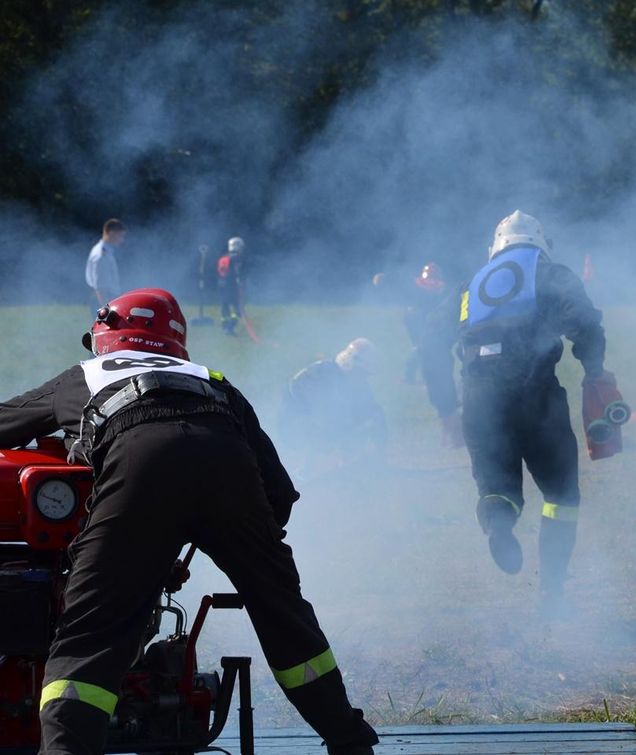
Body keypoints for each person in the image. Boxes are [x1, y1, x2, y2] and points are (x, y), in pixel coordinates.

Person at [0, 289, 378, 755]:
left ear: (105, 333)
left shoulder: (86, 374)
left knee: (91, 632)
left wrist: (151, 531)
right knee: (284, 615)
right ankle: (349, 739)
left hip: (139, 462)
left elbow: (6, 421)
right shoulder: (213, 380)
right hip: (228, 470)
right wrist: (241, 540)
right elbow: (278, 492)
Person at [419, 210, 610, 613]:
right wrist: (595, 371)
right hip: (536, 396)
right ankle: (552, 594)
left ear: (496, 247)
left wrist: (446, 408)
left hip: (479, 401)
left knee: (496, 487)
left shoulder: (469, 284)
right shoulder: (549, 272)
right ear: (540, 244)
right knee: (561, 496)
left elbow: (430, 343)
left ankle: (500, 523)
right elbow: (586, 325)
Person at [279, 338, 387, 475]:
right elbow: (318, 412)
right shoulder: (322, 374)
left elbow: (372, 410)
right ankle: (305, 469)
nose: (364, 376)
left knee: (369, 417)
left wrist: (379, 449)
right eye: (362, 372)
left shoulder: (356, 381)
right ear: (350, 364)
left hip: (321, 420)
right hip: (293, 425)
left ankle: (350, 463)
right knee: (330, 421)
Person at [403, 262, 447, 384]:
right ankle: (415, 377)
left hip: (414, 319)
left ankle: (411, 376)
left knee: (420, 347)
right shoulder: (432, 285)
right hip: (419, 319)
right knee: (422, 348)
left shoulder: (420, 283)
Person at [85, 219, 126, 315]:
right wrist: (107, 310)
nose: (122, 240)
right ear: (111, 233)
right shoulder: (100, 255)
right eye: (120, 236)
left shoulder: (106, 251)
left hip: (106, 299)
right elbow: (100, 287)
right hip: (102, 300)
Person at [217, 236, 245, 335]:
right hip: (231, 285)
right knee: (237, 309)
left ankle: (225, 327)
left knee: (225, 307)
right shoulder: (236, 258)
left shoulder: (224, 257)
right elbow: (237, 273)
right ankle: (230, 327)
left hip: (221, 284)